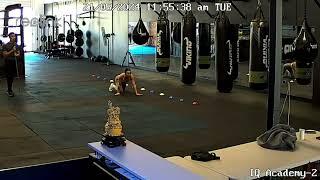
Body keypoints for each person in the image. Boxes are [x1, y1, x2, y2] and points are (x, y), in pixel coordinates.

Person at [2, 32, 20, 97]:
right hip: (8, 62)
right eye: (12, 36)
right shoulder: (6, 45)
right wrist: (12, 50)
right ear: (9, 37)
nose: (14, 37)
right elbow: (5, 55)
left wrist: (16, 54)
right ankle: (9, 90)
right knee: (9, 76)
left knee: (12, 77)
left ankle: (10, 89)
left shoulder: (16, 45)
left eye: (14, 36)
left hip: (13, 62)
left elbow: (18, 53)